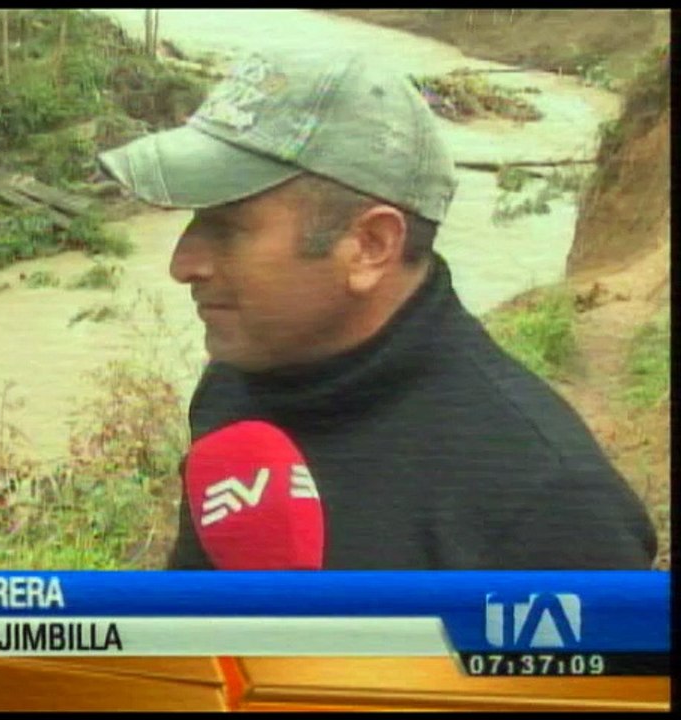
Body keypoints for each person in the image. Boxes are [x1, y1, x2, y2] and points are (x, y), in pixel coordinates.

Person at [96, 49, 657, 570]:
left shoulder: (549, 506)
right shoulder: (238, 386)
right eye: (194, 222)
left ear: (370, 247)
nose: (183, 263)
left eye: (226, 228)